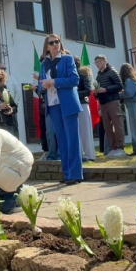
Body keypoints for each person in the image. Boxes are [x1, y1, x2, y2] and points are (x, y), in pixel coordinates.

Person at [39, 34, 83, 185]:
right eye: (51, 42)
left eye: (57, 41)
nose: (55, 44)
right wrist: (43, 86)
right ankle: (67, 173)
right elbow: (40, 85)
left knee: (72, 139)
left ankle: (75, 174)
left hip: (68, 103)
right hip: (52, 104)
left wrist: (54, 81)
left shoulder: (67, 59)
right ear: (47, 46)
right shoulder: (44, 64)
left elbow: (75, 80)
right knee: (62, 140)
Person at [93, 54, 125, 157]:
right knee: (107, 127)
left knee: (117, 124)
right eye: (96, 62)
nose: (98, 63)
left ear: (105, 61)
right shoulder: (98, 76)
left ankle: (120, 148)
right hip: (103, 103)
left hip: (113, 101)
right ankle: (113, 148)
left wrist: (105, 89)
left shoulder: (112, 72)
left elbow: (120, 86)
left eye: (100, 61)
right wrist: (96, 93)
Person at [74, 56, 96, 162]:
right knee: (76, 131)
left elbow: (87, 90)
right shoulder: (70, 75)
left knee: (85, 130)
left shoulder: (83, 74)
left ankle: (89, 155)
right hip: (73, 105)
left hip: (82, 104)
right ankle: (80, 154)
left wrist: (74, 94)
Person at [0, 62, 23, 138]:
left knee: (14, 127)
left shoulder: (11, 78)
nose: (2, 70)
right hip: (0, 108)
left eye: (4, 68)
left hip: (11, 107)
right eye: (0, 69)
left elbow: (18, 92)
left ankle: (16, 143)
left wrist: (14, 105)